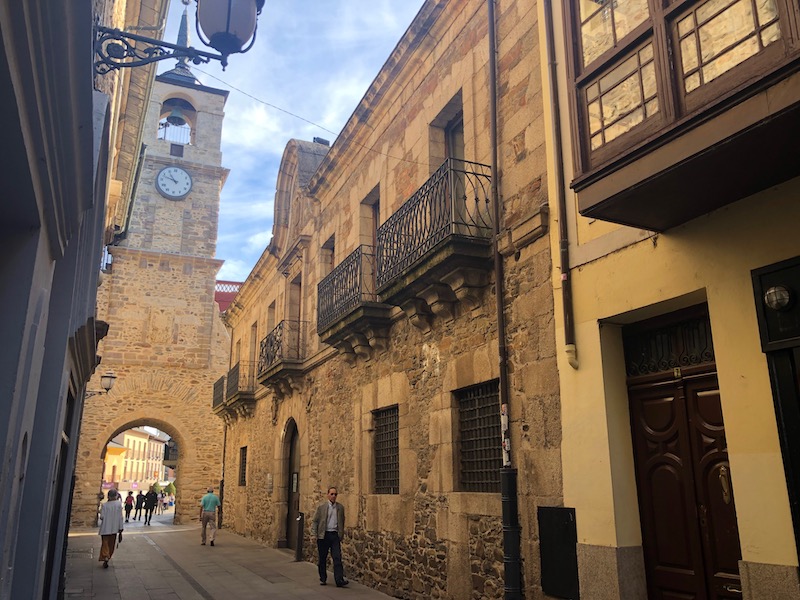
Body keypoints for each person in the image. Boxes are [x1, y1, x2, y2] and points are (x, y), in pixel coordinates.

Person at [311, 487, 348, 587]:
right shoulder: (321, 507)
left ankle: (339, 579)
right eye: (331, 494)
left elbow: (342, 521)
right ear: (327, 495)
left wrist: (341, 534)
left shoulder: (340, 508)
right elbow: (315, 521)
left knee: (337, 557)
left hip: (334, 535)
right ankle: (323, 578)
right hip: (323, 535)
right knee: (322, 558)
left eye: (335, 494)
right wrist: (314, 534)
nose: (333, 496)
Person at [98, 489, 124, 568]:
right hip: (114, 528)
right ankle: (108, 557)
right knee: (111, 544)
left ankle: (105, 555)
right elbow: (120, 517)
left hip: (105, 528)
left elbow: (102, 517)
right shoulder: (119, 504)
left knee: (105, 543)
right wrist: (121, 528)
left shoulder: (105, 505)